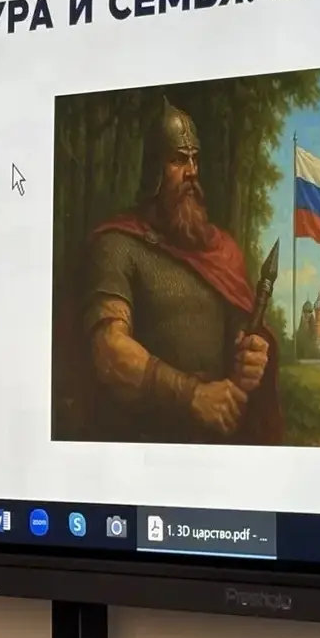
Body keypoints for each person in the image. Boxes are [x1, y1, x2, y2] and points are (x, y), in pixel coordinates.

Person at [81, 101, 282, 444]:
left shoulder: (222, 251)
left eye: (195, 159)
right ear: (153, 171)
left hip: (217, 440)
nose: (192, 171)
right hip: (144, 440)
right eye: (178, 160)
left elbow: (241, 341)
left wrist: (252, 357)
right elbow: (109, 351)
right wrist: (192, 395)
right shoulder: (117, 245)